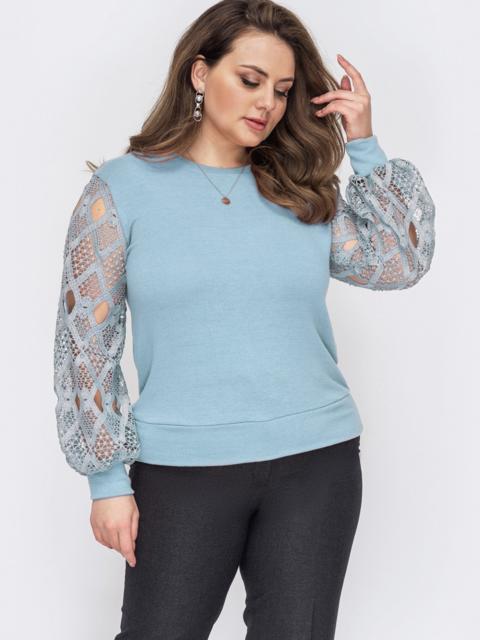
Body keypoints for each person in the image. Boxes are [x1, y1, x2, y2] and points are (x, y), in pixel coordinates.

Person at [52, 1, 436, 638]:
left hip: (316, 464)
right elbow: (84, 346)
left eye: (282, 90)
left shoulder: (300, 190)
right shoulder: (120, 190)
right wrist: (106, 480)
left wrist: (364, 145)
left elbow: (399, 261)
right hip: (180, 472)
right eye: (250, 80)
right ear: (200, 73)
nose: (267, 104)